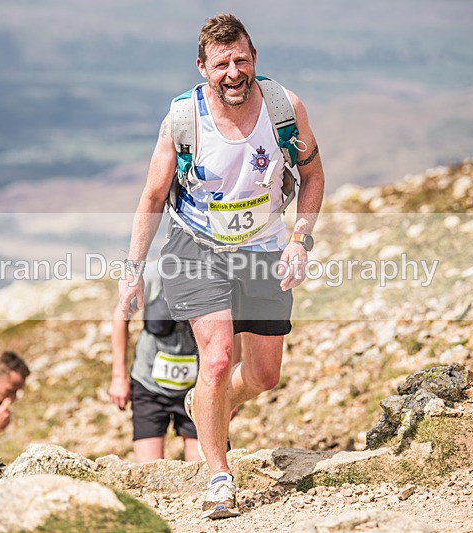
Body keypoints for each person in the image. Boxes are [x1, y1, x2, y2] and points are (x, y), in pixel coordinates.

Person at [118, 14, 324, 519]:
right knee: (214, 360)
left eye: (241, 60)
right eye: (221, 64)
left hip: (265, 248)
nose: (233, 72)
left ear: (254, 59)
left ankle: (205, 405)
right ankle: (219, 477)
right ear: (202, 67)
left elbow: (314, 175)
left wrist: (300, 239)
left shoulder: (284, 108)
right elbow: (152, 195)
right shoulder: (183, 120)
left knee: (263, 376)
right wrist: (132, 268)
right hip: (196, 248)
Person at [109, 260, 201, 462]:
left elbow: (231, 330)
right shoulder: (153, 275)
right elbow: (121, 315)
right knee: (148, 471)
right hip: (148, 384)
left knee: (202, 472)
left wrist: (228, 386)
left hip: (198, 388)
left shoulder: (213, 276)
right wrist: (118, 376)